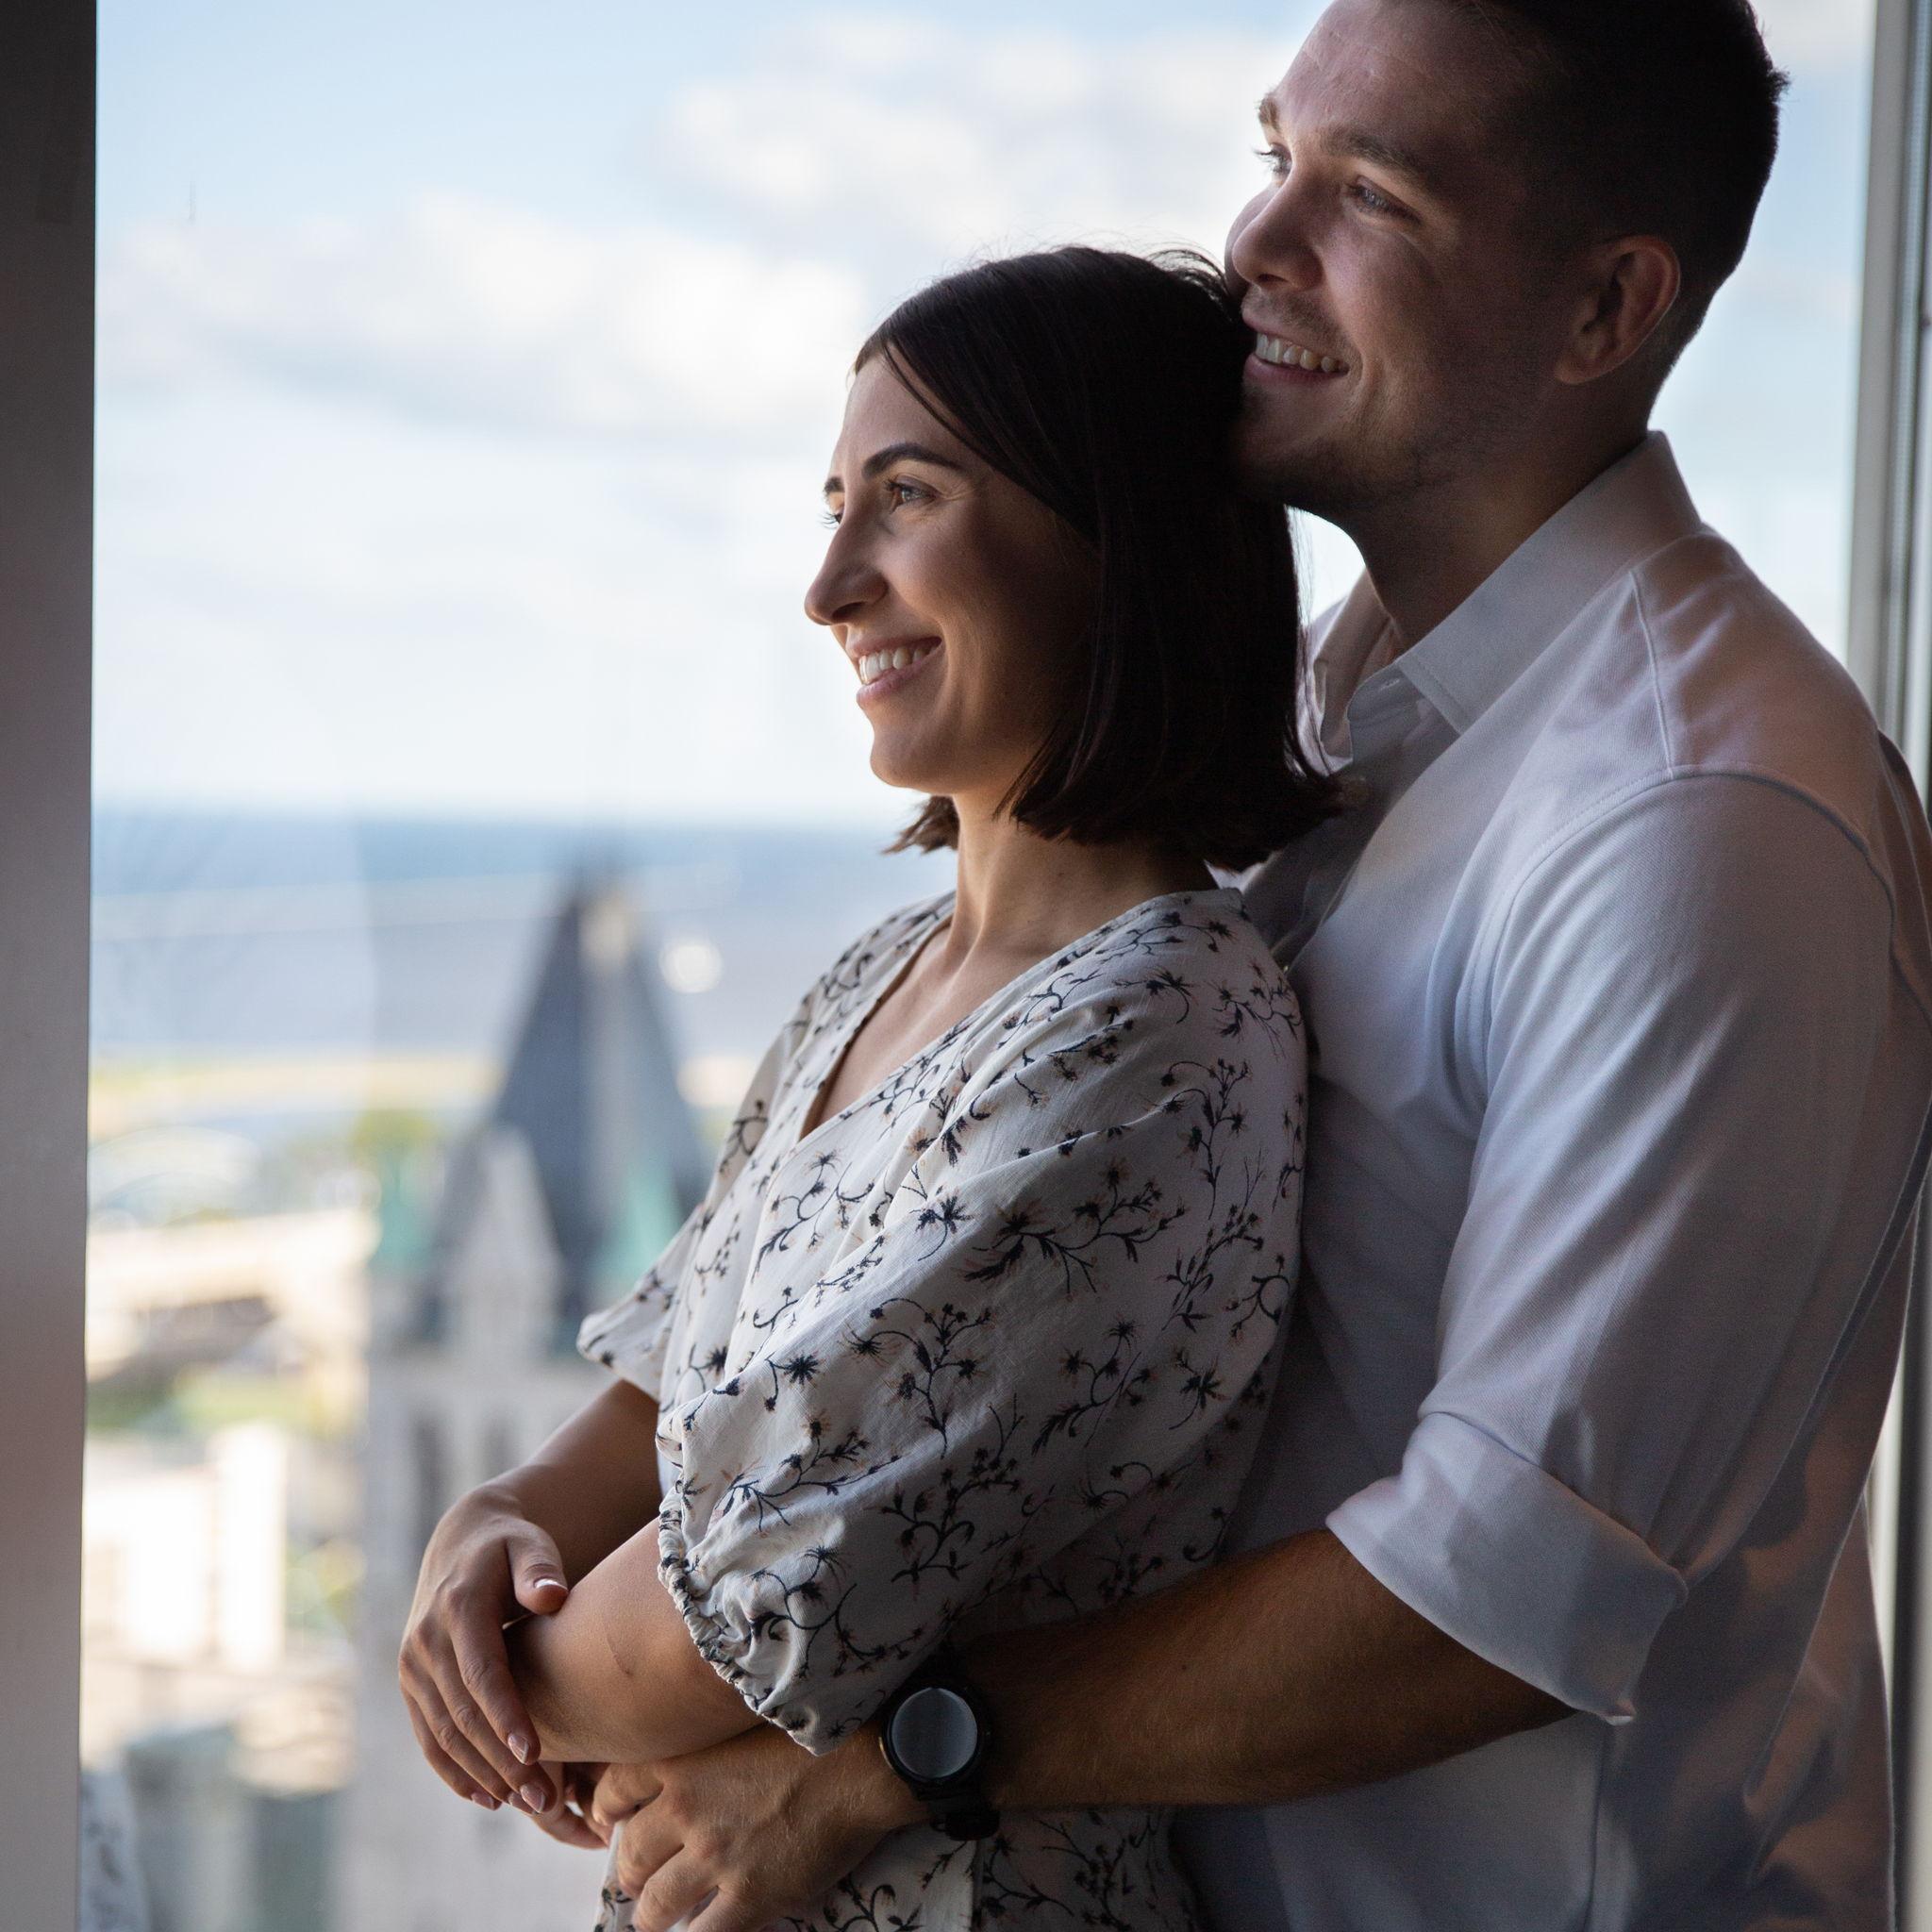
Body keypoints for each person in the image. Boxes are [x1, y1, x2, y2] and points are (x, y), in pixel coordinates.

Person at [509, 3, 1932, 1929]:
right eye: (1278, 156)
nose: (1258, 241)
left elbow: (1490, 1595)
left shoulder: (1701, 817)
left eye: (1372, 195)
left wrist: (880, 1754)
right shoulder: (1324, 721)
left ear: (1604, 307)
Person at [398, 245, 1338, 1930]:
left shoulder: (1153, 1027)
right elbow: (662, 1383)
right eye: (836, 507)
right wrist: (499, 1512)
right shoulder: (879, 975)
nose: (830, 587)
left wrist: (496, 1681)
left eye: (905, 498)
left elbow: (721, 1630)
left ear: (1112, 537)